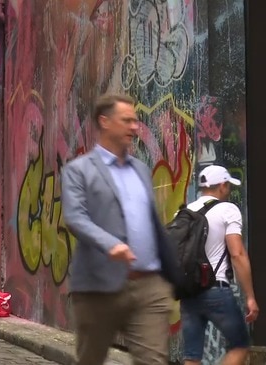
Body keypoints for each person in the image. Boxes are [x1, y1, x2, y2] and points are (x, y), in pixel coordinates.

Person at [61, 93, 180, 365]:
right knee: (91, 359)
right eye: (127, 121)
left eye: (136, 121)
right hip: (98, 288)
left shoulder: (141, 169)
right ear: (104, 122)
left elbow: (149, 220)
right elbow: (75, 217)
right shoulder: (78, 170)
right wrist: (109, 244)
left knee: (154, 361)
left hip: (149, 285)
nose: (135, 127)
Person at [181, 165, 258, 365]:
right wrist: (250, 296)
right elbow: (237, 253)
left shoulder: (184, 212)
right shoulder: (228, 210)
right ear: (222, 186)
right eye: (228, 186)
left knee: (191, 356)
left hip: (188, 292)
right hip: (216, 290)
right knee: (240, 345)